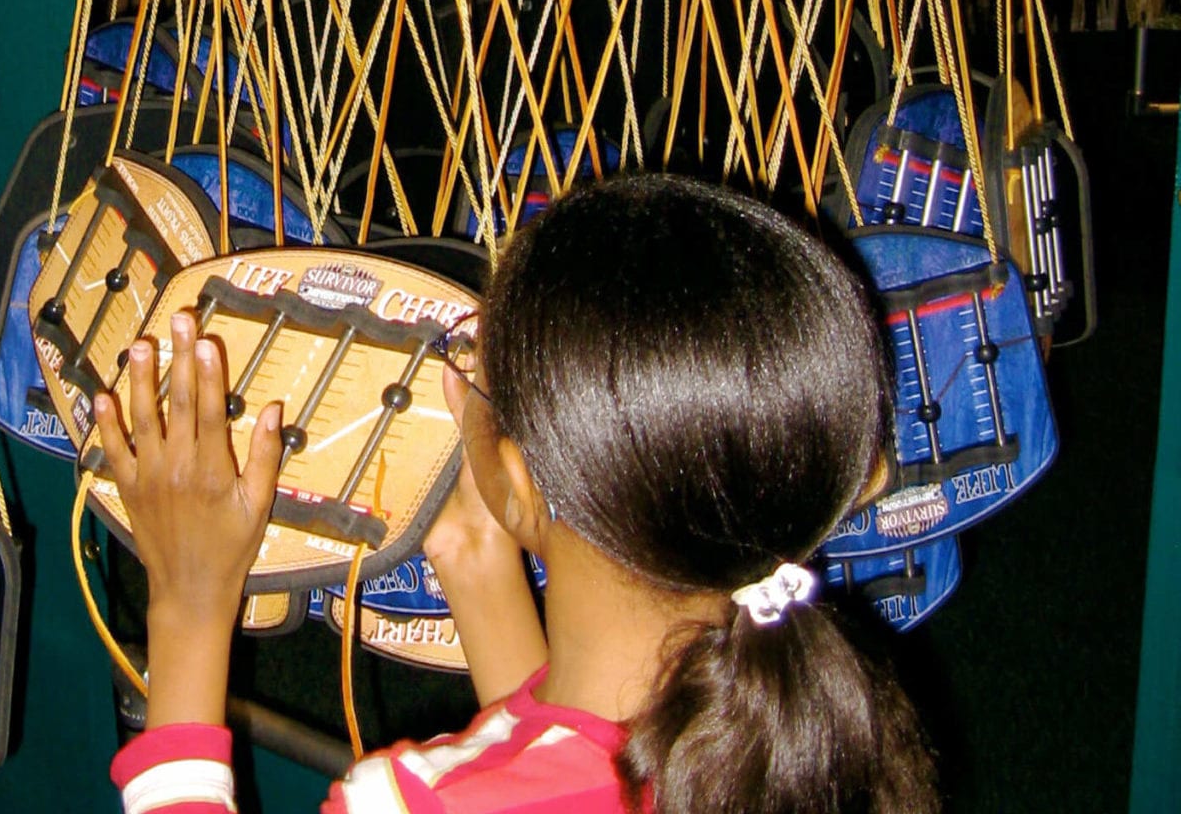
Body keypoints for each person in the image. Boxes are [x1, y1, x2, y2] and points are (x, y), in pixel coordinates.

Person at [98, 174, 939, 814]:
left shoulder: (411, 803)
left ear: (525, 479)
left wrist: (190, 604)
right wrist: (475, 556)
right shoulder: (816, 747)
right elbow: (568, 767)